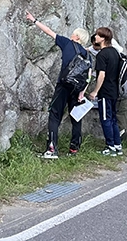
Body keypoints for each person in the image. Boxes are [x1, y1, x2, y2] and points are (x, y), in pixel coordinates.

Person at [26, 11, 91, 159]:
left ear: (77, 37)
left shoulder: (67, 43)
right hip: (77, 89)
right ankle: (74, 149)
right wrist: (82, 92)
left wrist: (34, 20)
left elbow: (49, 31)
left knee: (54, 115)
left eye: (74, 33)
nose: (71, 35)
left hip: (63, 85)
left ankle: (52, 149)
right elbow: (88, 75)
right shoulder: (87, 54)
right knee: (76, 117)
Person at [87, 26, 122, 156]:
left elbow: (101, 75)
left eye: (98, 35)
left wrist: (95, 91)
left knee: (106, 119)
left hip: (105, 91)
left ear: (103, 39)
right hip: (114, 90)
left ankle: (110, 146)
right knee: (113, 118)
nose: (95, 37)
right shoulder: (115, 53)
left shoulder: (102, 54)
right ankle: (117, 145)